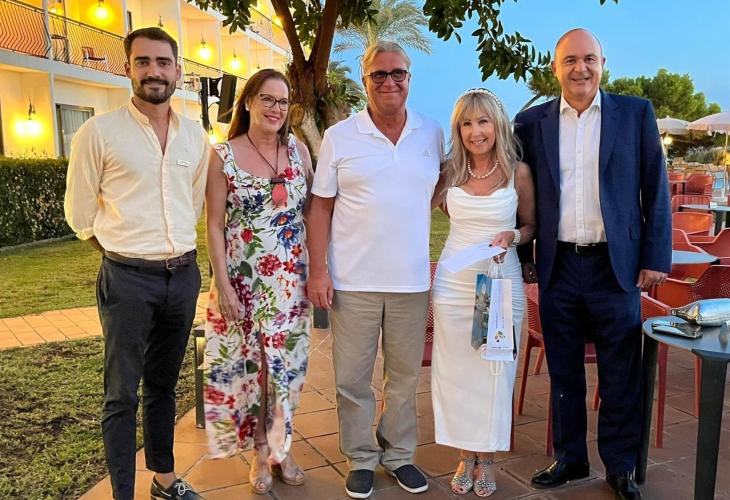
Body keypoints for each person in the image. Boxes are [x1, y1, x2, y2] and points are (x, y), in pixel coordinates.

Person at [514, 29, 671, 500]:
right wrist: (524, 257)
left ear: (603, 64)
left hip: (616, 267)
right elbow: (518, 194)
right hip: (559, 266)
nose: (580, 68)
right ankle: (570, 458)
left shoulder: (635, 114)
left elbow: (655, 188)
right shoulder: (531, 123)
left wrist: (655, 257)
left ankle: (620, 466)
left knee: (620, 374)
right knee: (564, 371)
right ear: (555, 68)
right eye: (570, 60)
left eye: (588, 59)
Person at [64, 27, 208, 500]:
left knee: (163, 385)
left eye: (163, 62)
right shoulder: (99, 132)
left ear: (178, 71)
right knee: (121, 394)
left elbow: (192, 203)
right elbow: (81, 216)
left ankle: (164, 481)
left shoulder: (195, 136)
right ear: (128, 68)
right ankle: (122, 494)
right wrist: (125, 258)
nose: (154, 71)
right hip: (127, 279)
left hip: (182, 278)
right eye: (143, 62)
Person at [306, 41, 443, 499]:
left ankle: (399, 455)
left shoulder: (430, 133)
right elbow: (321, 207)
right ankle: (361, 457)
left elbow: (442, 190)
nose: (389, 82)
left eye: (397, 73)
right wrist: (319, 270)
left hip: (411, 281)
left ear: (409, 78)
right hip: (353, 281)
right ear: (364, 81)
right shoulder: (340, 136)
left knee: (403, 379)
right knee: (351, 380)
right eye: (378, 75)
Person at [202, 69, 313, 495]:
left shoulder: (298, 150)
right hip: (244, 282)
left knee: (286, 371)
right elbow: (214, 225)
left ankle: (283, 447)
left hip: (292, 282)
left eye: (283, 102)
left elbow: (312, 211)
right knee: (254, 371)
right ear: (248, 101)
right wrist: (223, 284)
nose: (275, 108)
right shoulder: (223, 156)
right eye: (267, 99)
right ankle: (260, 450)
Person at [430, 89, 536, 497]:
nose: (476, 131)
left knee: (495, 370)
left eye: (483, 121)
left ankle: (487, 456)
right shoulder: (448, 172)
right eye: (467, 123)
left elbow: (531, 225)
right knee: (457, 372)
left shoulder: (517, 172)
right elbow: (427, 210)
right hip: (455, 284)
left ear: (498, 125)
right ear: (458, 129)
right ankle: (464, 454)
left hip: (499, 282)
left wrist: (512, 236)